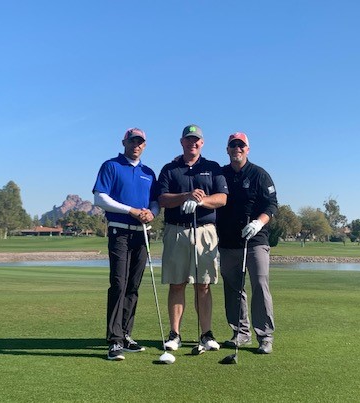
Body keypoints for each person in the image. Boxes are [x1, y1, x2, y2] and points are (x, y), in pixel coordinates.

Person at [156, 124, 228, 352]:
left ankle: (206, 334)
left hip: (205, 231)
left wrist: (200, 201)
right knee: (177, 284)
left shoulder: (212, 167)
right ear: (182, 142)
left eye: (196, 140)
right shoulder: (170, 169)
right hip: (177, 230)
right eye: (188, 139)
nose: (192, 143)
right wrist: (186, 196)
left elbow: (222, 198)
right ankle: (174, 334)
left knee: (203, 285)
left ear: (202, 143)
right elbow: (162, 199)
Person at [92, 128, 159, 361]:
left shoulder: (148, 173)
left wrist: (152, 213)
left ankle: (126, 334)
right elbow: (100, 198)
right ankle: (114, 340)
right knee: (119, 284)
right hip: (119, 232)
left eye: (140, 142)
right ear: (124, 142)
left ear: (144, 145)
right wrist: (130, 210)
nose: (136, 145)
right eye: (132, 141)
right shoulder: (111, 166)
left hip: (142, 234)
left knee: (133, 286)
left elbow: (155, 202)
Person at [216, 132, 278, 354]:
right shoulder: (221, 174)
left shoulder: (259, 174)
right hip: (228, 242)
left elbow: (272, 205)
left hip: (255, 241)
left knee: (259, 285)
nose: (237, 149)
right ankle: (240, 333)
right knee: (233, 289)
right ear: (227, 149)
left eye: (241, 145)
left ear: (247, 149)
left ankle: (265, 336)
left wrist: (259, 223)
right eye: (233, 145)